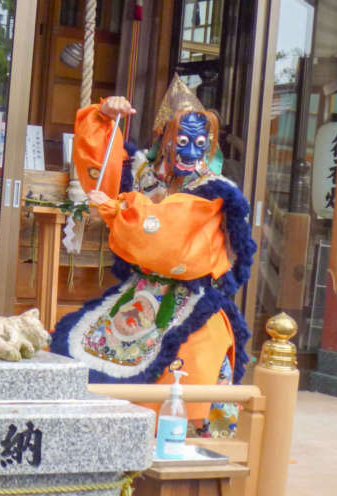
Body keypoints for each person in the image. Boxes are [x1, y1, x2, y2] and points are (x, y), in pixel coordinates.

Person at [51, 75, 256, 430]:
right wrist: (103, 115)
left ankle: (191, 446)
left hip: (193, 296)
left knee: (193, 361)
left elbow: (168, 234)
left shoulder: (217, 191)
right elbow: (103, 170)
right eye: (183, 142)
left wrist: (120, 211)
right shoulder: (146, 176)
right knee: (82, 349)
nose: (192, 153)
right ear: (164, 140)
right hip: (141, 291)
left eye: (200, 143)